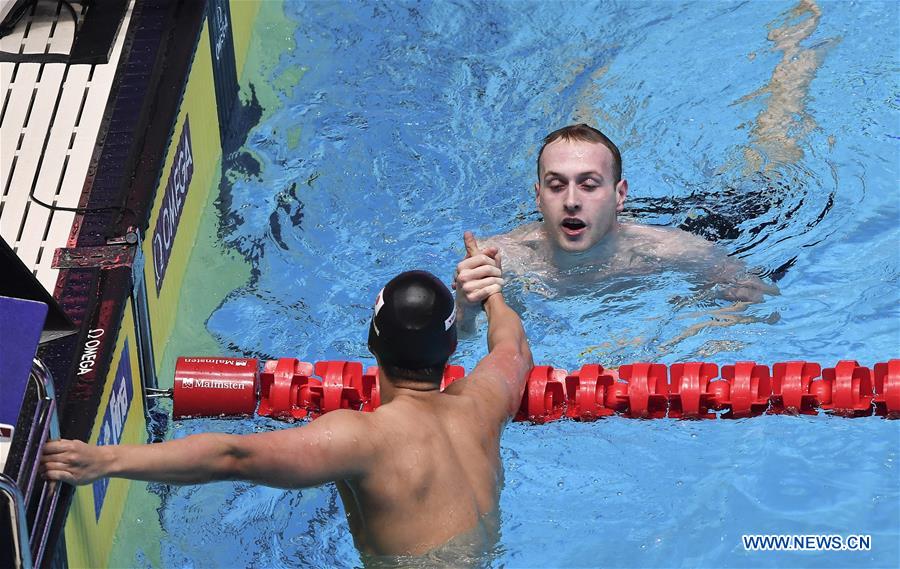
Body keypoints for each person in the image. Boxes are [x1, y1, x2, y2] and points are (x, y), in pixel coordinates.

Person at [42, 240, 532, 563]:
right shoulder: (483, 403)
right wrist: (491, 294)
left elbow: (232, 455)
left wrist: (104, 460)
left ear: (372, 344)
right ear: (451, 347)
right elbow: (512, 347)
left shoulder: (364, 438)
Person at [454, 123, 777, 330]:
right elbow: (453, 344)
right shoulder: (503, 259)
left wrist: (696, 322)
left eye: (588, 185)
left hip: (703, 214)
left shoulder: (668, 249)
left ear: (619, 195)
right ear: (538, 197)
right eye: (556, 186)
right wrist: (465, 307)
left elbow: (760, 299)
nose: (571, 201)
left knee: (768, 172)